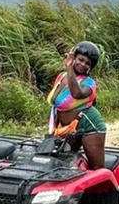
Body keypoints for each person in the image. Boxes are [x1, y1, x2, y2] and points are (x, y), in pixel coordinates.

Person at [46, 41, 108, 169]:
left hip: (89, 127)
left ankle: (113, 189)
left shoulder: (89, 83)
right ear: (74, 57)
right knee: (62, 165)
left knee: (97, 168)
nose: (83, 64)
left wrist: (69, 68)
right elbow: (55, 102)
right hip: (67, 129)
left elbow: (76, 93)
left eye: (87, 63)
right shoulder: (61, 77)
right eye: (80, 59)